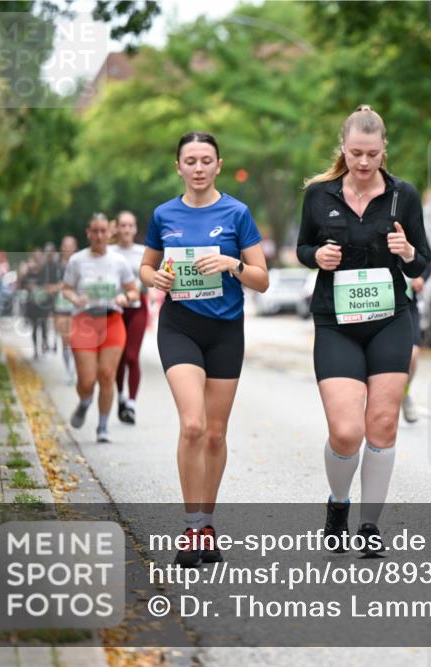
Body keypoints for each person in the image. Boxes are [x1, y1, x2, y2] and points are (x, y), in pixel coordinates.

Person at [297, 106, 431, 555]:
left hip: (390, 318)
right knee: (346, 431)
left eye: (372, 154)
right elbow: (302, 246)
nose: (364, 162)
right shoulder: (319, 195)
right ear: (343, 148)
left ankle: (370, 525)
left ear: (383, 151)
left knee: (383, 424)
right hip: (336, 321)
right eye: (356, 153)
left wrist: (408, 250)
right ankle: (338, 502)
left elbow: (424, 263)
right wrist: (317, 256)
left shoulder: (402, 196)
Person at [140, 131, 268, 568]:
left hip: (226, 331)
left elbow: (262, 278)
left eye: (205, 160)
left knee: (215, 433)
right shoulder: (164, 214)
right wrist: (152, 278)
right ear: (178, 167)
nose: (197, 168)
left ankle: (207, 523)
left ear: (218, 165)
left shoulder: (237, 213)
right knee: (192, 425)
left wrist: (232, 264)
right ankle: (192, 526)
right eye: (189, 160)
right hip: (179, 327)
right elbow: (146, 264)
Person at [61, 215, 140, 444]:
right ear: (88, 233)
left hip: (112, 320)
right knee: (86, 380)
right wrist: (75, 298)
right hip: (84, 322)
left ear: (109, 233)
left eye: (103, 231)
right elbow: (66, 289)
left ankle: (103, 426)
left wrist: (125, 297)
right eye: (94, 231)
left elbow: (135, 291)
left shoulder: (118, 262)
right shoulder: (77, 260)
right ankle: (85, 402)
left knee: (107, 374)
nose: (98, 236)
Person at [110, 211, 147, 424]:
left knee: (132, 356)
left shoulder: (142, 252)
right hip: (114, 308)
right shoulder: (109, 252)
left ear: (134, 229)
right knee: (119, 358)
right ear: (117, 228)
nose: (126, 229)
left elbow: (149, 276)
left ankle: (131, 404)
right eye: (122, 225)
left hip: (137, 307)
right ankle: (121, 395)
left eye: (130, 225)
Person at [401, 266, 431, 423]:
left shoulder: (407, 239)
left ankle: (403, 393)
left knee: (412, 355)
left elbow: (429, 258)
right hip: (377, 305)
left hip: (408, 305)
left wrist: (421, 277)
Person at [51, 236, 79, 381]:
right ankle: (69, 370)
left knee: (76, 339)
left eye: (70, 246)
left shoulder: (80, 264)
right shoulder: (54, 266)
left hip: (76, 306)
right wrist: (60, 287)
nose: (67, 249)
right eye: (65, 246)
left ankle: (76, 368)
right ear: (61, 248)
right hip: (60, 307)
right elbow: (47, 287)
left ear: (75, 248)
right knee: (65, 340)